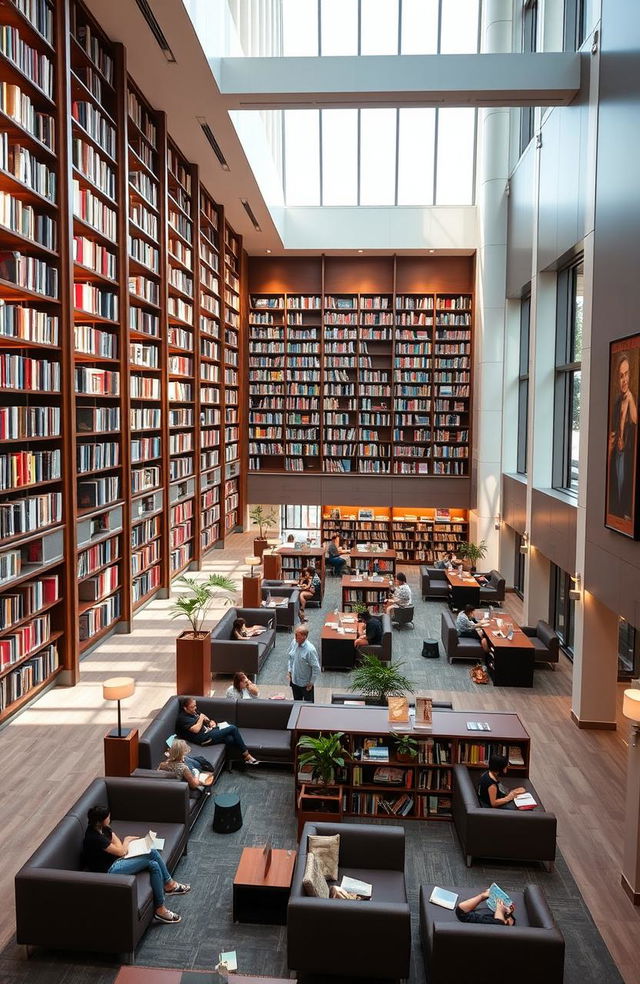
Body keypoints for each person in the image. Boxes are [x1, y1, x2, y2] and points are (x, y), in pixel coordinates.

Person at [83, 805, 189, 924]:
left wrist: (122, 846)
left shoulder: (103, 828)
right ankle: (169, 886)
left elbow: (115, 840)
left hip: (118, 860)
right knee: (151, 853)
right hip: (110, 870)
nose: (109, 819)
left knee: (153, 863)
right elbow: (121, 851)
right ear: (100, 821)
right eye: (108, 817)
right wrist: (127, 841)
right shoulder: (94, 837)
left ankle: (161, 906)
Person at [176, 696, 259, 764]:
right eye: (192, 707)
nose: (195, 708)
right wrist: (201, 718)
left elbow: (204, 717)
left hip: (209, 731)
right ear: (185, 708)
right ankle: (246, 755)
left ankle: (231, 762)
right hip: (203, 738)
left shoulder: (193, 711)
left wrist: (210, 722)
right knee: (233, 728)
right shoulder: (182, 718)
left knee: (230, 739)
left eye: (195, 705)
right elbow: (196, 729)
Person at [608, 351, 638, 521]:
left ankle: (624, 512)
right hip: (617, 452)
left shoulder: (631, 400)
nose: (624, 379)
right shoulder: (617, 402)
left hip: (627, 453)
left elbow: (635, 420)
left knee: (624, 483)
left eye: (626, 374)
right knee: (616, 484)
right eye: (621, 376)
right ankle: (619, 512)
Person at [287, 623, 320, 702]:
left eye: (297, 636)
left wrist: (311, 682)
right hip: (294, 680)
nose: (295, 638)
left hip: (305, 684)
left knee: (308, 705)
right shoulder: (294, 642)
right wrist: (289, 671)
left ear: (304, 636)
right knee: (296, 703)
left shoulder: (310, 650)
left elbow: (316, 668)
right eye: (295, 635)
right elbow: (290, 657)